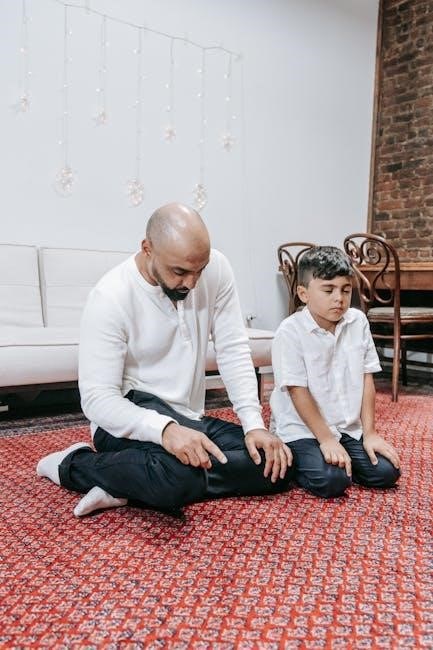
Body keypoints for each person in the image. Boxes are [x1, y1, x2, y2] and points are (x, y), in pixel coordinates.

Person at [37, 202, 293, 516]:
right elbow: (97, 399)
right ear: (148, 249)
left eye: (199, 270)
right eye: (180, 272)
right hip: (127, 420)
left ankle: (127, 481)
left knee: (274, 462)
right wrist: (165, 430)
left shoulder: (217, 269)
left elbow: (232, 349)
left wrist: (254, 425)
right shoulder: (110, 297)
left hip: (191, 418)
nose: (192, 283)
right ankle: (74, 463)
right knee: (179, 476)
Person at [270, 245, 400, 499]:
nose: (339, 298)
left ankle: (342, 457)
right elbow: (297, 391)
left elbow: (367, 378)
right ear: (303, 294)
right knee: (332, 481)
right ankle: (299, 461)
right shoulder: (289, 332)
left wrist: (370, 434)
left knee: (386, 472)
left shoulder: (357, 321)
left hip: (346, 428)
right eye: (328, 290)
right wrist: (327, 439)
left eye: (346, 290)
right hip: (303, 430)